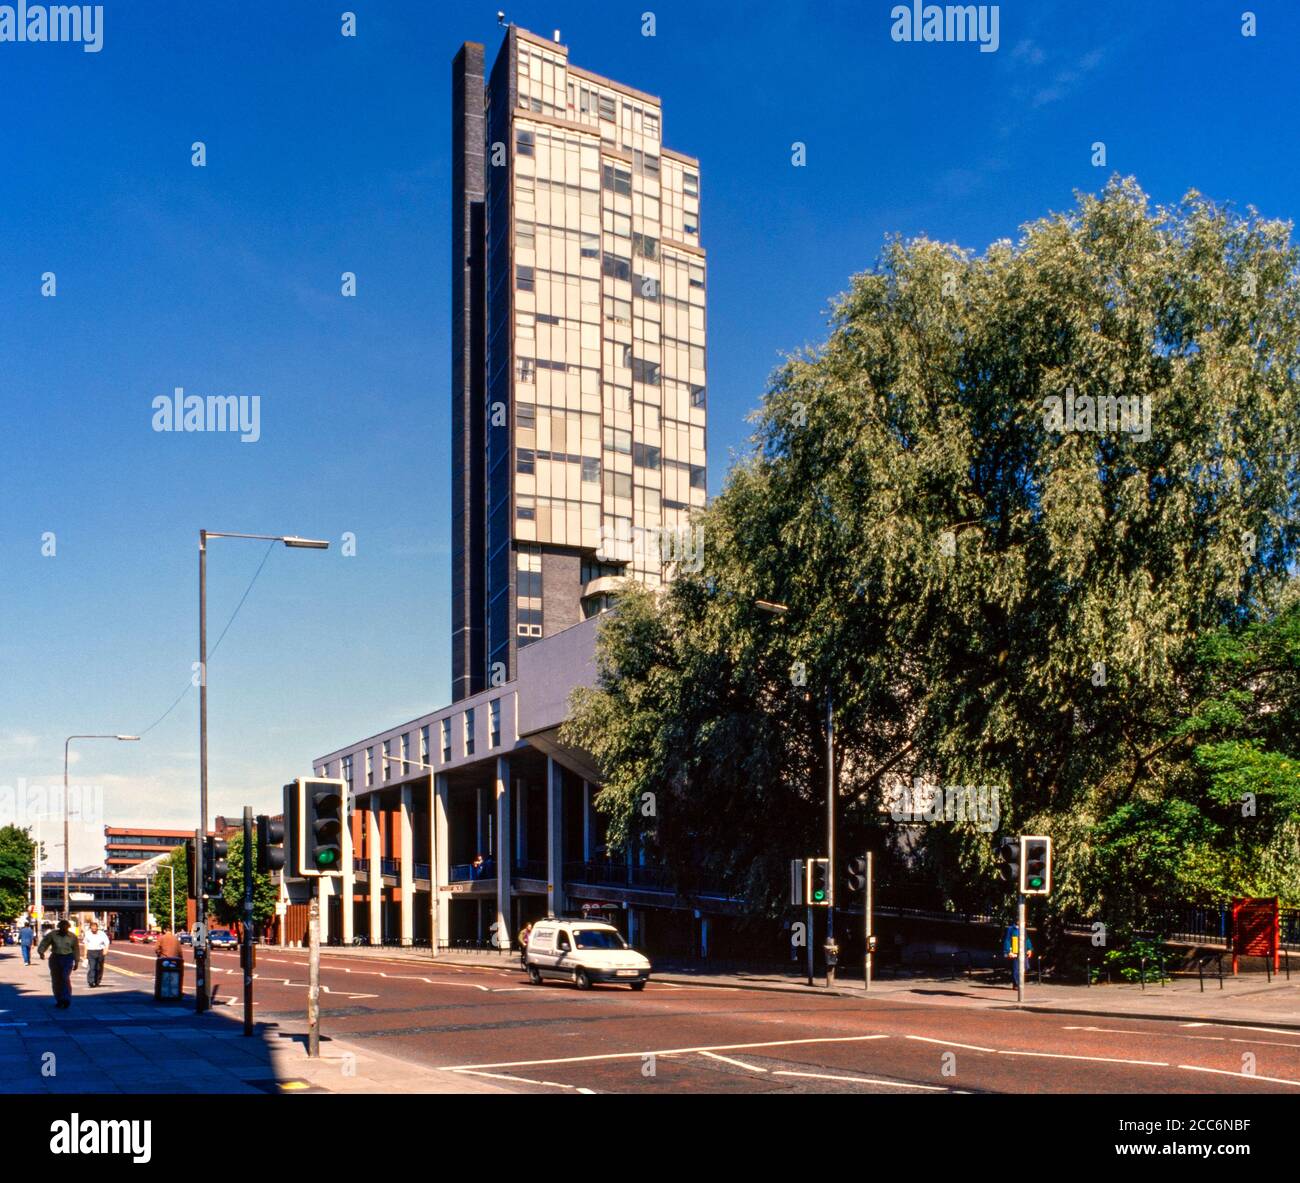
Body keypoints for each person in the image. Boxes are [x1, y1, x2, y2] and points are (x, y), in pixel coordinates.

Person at [37, 920, 79, 1009]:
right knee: (56, 980)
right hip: (55, 958)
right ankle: (59, 999)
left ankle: (66, 999)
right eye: (62, 927)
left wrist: (77, 961)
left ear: (68, 927)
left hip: (67, 958)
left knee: (65, 978)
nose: (63, 929)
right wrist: (41, 952)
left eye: (65, 927)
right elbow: (44, 943)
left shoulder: (72, 937)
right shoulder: (53, 935)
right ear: (59, 927)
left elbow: (76, 949)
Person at [84, 921, 110, 987]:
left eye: (95, 927)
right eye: (92, 927)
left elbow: (107, 942)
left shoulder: (102, 933)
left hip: (100, 951)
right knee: (92, 967)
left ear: (97, 927)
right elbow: (85, 944)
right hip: (91, 952)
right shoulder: (87, 933)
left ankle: (97, 981)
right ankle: (91, 981)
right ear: (90, 928)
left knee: (99, 968)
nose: (94, 928)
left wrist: (106, 950)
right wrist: (85, 954)